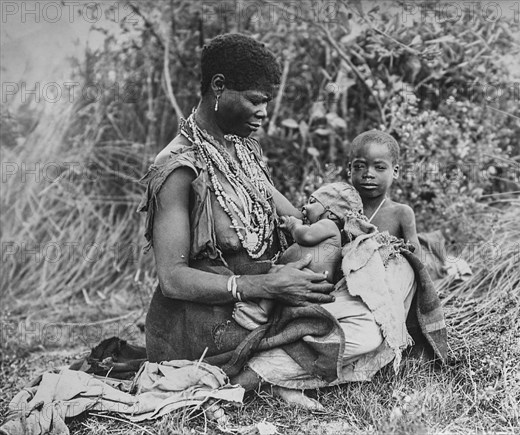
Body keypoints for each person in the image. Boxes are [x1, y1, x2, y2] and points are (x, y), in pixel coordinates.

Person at [138, 33, 336, 405]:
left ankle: (272, 368)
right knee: (347, 334)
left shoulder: (242, 150)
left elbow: (291, 216)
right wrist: (261, 288)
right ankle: (262, 378)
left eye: (266, 102)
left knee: (343, 270)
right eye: (255, 101)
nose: (264, 113)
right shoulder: (177, 167)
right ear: (218, 86)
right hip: (206, 323)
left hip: (263, 304)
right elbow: (172, 279)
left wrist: (337, 214)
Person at [233, 182, 384, 362]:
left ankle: (260, 313)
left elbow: (305, 236)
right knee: (278, 272)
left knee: (278, 272)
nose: (305, 206)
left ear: (331, 212)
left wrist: (293, 225)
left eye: (312, 202)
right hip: (312, 281)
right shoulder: (325, 228)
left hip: (313, 279)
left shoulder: (328, 225)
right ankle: (265, 315)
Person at [347, 129, 423, 261]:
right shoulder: (341, 209)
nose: (368, 174)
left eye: (380, 167)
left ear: (395, 171)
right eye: (359, 166)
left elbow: (418, 264)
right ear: (350, 169)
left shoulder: (401, 213)